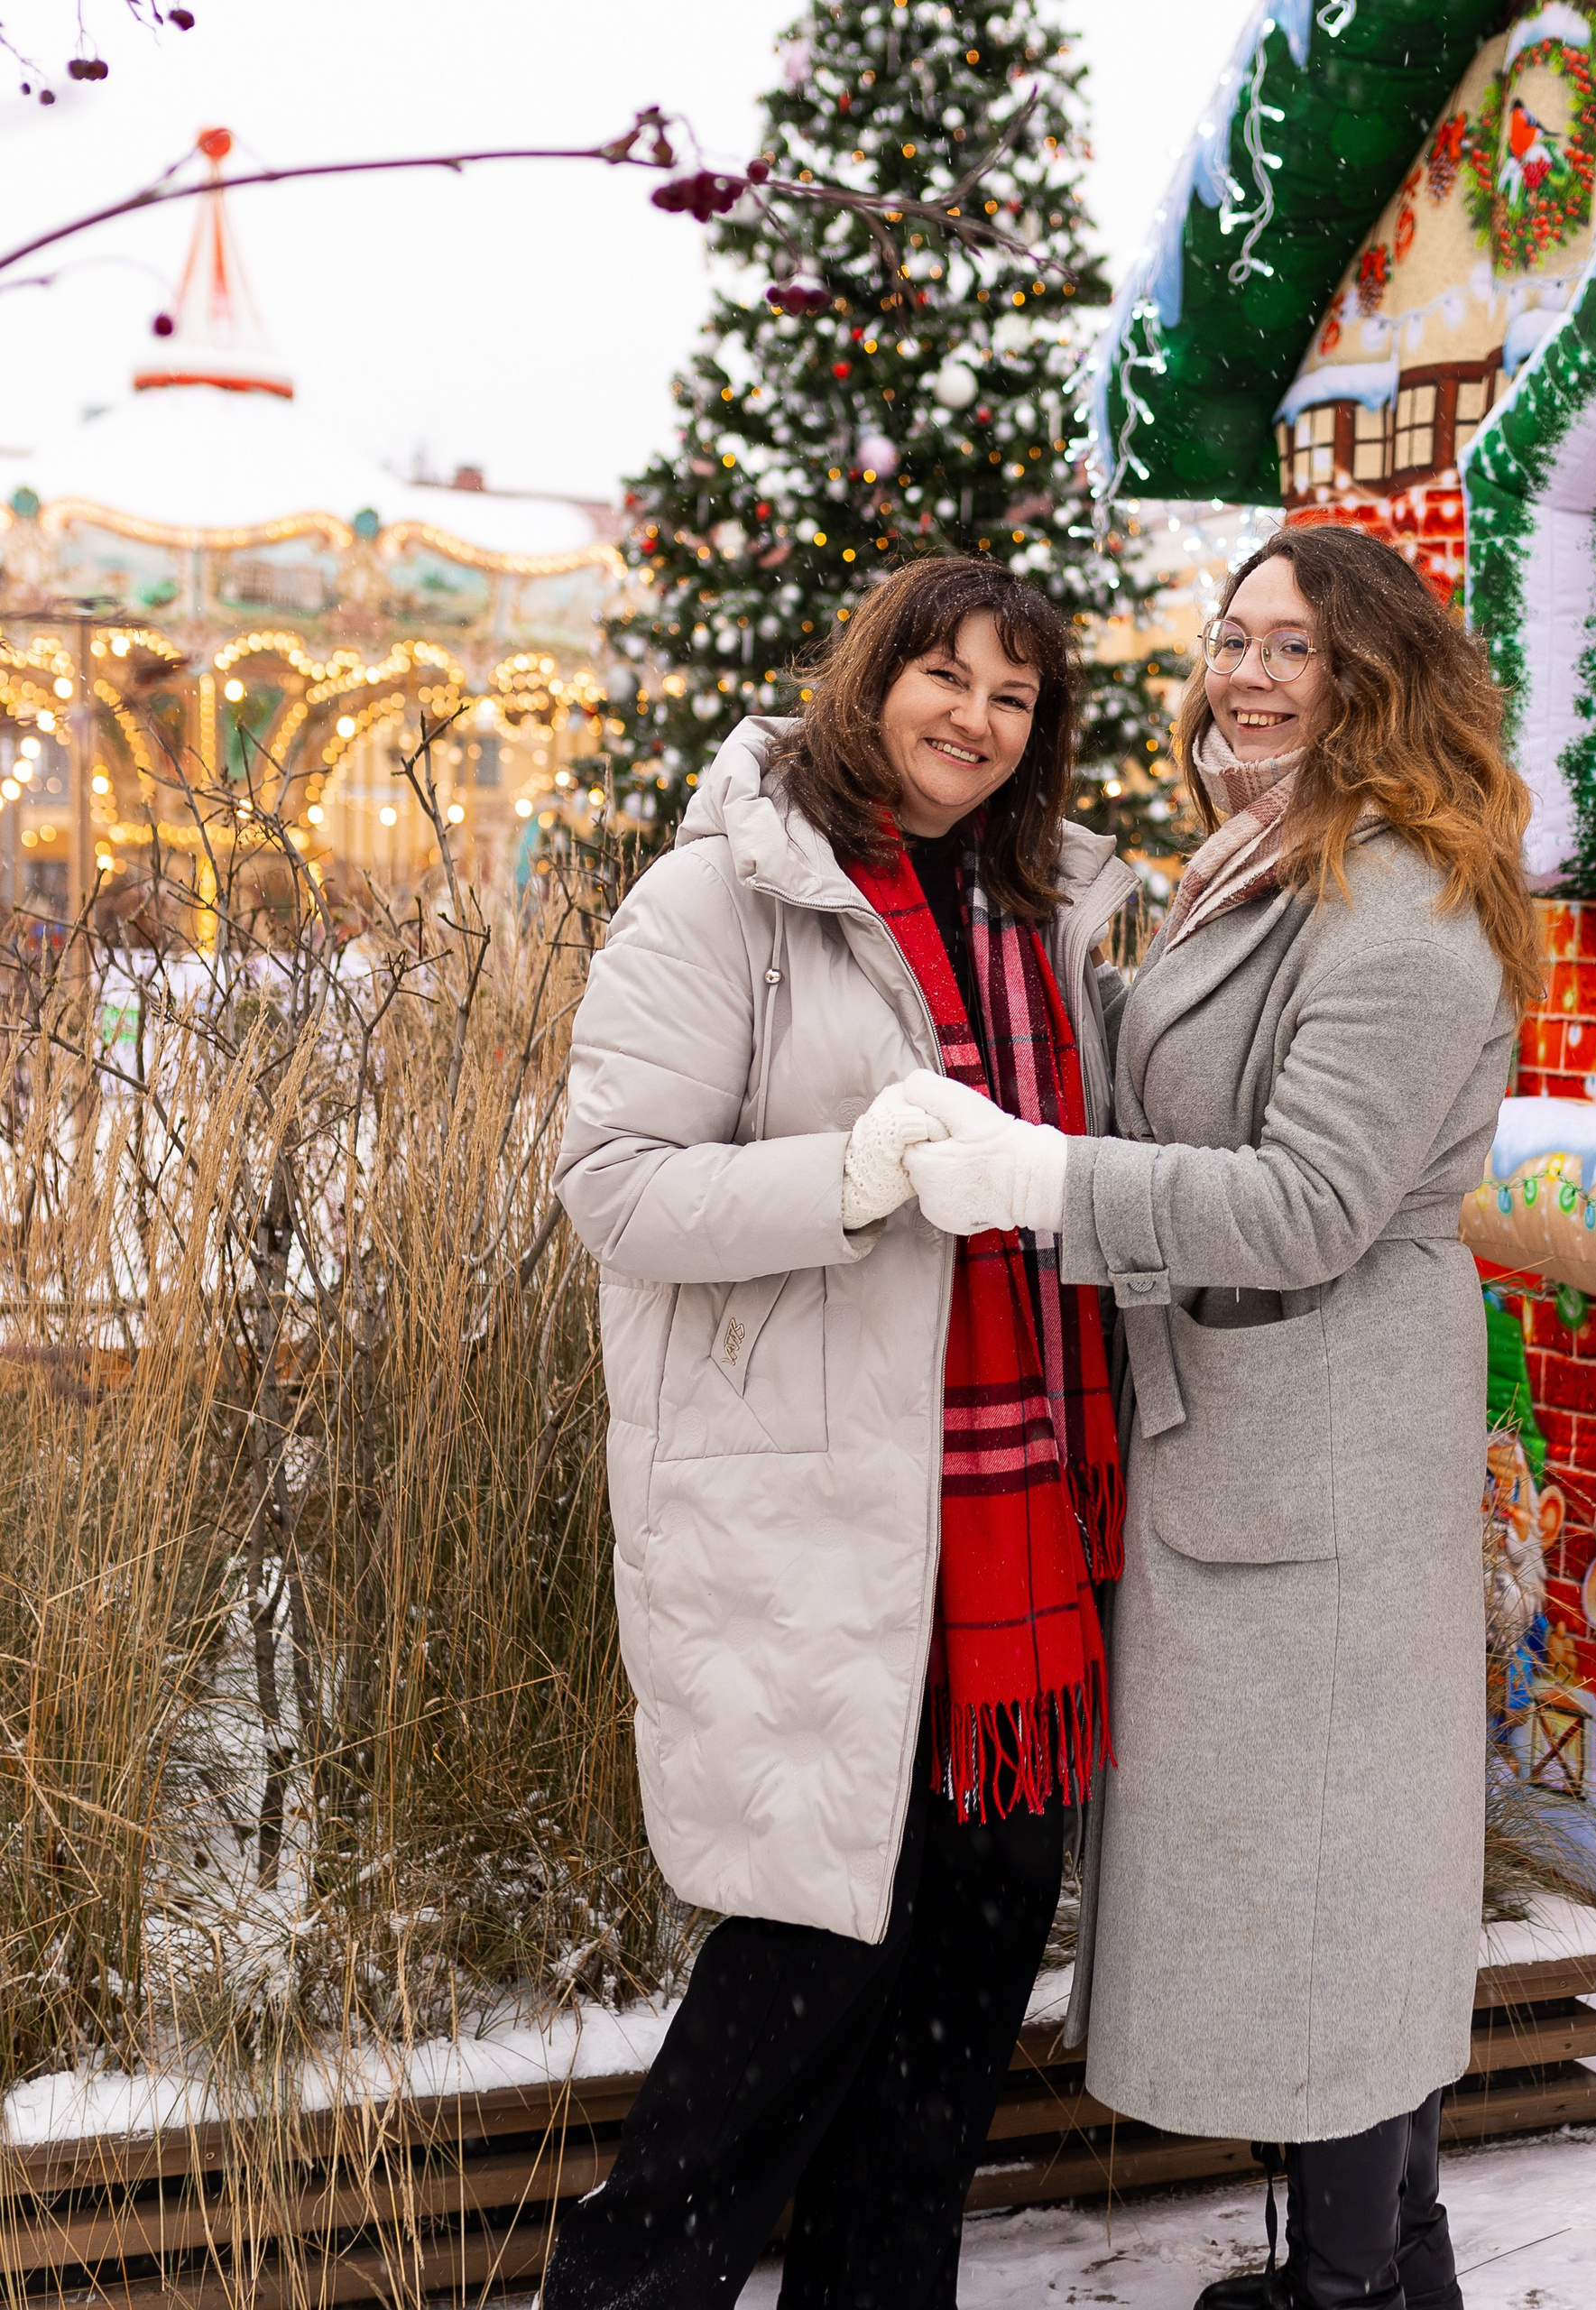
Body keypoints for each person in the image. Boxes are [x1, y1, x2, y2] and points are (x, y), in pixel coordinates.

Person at [890, 525, 1545, 2310]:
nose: (1241, 672)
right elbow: (1176, 1073)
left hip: (1318, 1453)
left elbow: (1303, 1204)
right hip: (1259, 1448)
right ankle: (1393, 2267)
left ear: (1373, 674)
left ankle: (1350, 2287)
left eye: (1291, 647)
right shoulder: (1269, 860)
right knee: (1339, 1890)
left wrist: (1044, 1179)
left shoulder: (1398, 899)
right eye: (1230, 636)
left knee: (1335, 1903)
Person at [543, 555, 1138, 2310]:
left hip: (1021, 1544)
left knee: (946, 2036)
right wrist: (855, 1179)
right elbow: (616, 1190)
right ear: (868, 676)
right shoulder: (727, 898)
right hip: (814, 1530)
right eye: (941, 674)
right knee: (783, 2010)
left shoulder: (1048, 914)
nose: (971, 715)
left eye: (1011, 693)